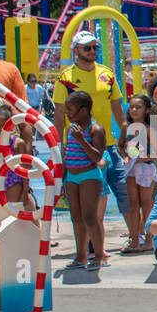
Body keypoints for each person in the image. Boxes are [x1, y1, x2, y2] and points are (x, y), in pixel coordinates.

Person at [53, 30, 129, 249]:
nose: (93, 51)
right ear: (76, 51)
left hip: (109, 145)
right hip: (79, 146)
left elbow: (117, 107)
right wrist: (59, 146)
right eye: (87, 48)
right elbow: (59, 114)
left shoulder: (107, 74)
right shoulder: (65, 78)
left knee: (123, 191)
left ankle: (137, 236)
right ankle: (90, 245)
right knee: (86, 198)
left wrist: (124, 134)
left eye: (95, 47)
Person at [60, 91, 107, 271]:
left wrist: (81, 139)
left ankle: (99, 255)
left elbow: (97, 156)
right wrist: (62, 178)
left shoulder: (95, 129)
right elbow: (67, 155)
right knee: (76, 217)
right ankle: (81, 256)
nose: (67, 114)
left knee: (89, 217)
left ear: (83, 110)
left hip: (89, 175)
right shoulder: (70, 129)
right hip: (72, 176)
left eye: (70, 110)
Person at [121, 95, 157, 253]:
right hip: (131, 169)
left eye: (138, 107)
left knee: (146, 204)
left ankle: (149, 240)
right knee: (133, 204)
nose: (134, 110)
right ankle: (135, 239)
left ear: (147, 110)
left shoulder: (149, 128)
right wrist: (125, 156)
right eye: (132, 107)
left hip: (146, 168)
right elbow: (121, 145)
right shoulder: (126, 126)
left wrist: (140, 158)